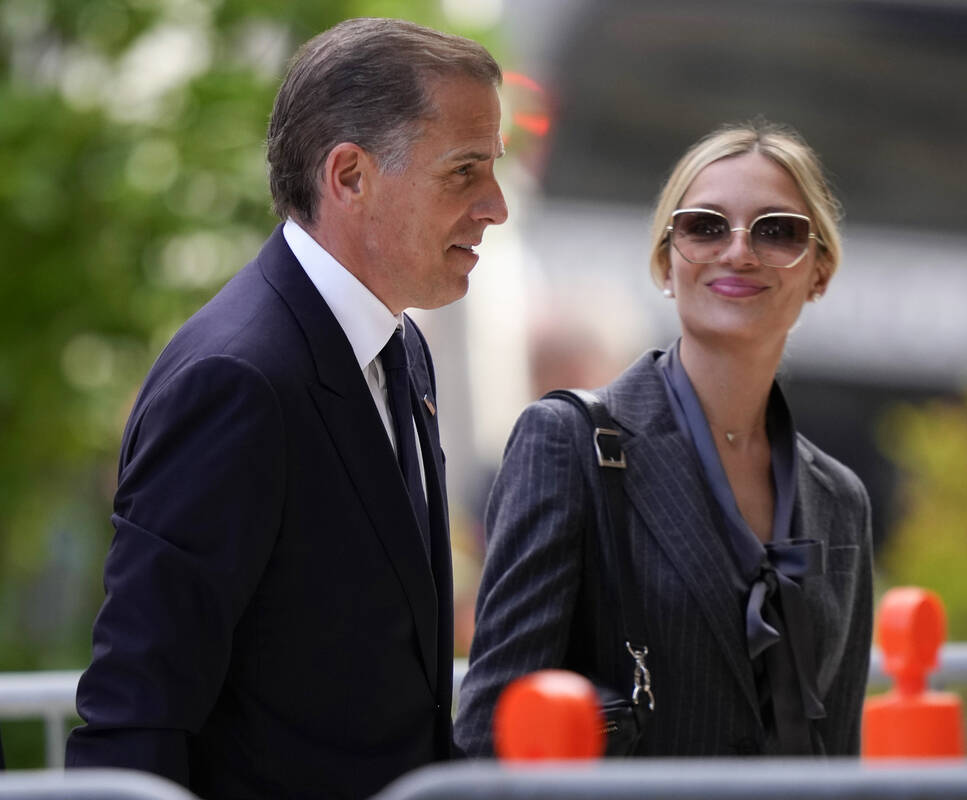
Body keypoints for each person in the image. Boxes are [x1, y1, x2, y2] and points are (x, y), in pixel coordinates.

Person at [66, 17, 507, 798]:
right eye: (464, 170)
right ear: (349, 176)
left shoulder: (401, 348)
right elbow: (139, 709)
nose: (496, 205)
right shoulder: (236, 381)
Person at [455, 121, 872, 757]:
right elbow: (493, 733)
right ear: (664, 263)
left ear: (819, 270)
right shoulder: (568, 443)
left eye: (778, 230)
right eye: (705, 226)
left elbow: (837, 753)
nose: (739, 252)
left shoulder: (842, 501)